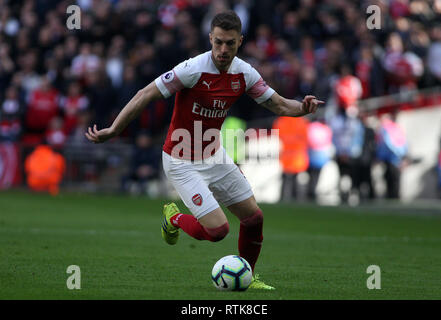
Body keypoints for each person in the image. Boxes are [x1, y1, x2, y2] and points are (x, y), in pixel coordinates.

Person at [85, 11, 323, 290]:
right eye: (219, 42)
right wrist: (114, 129)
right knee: (218, 230)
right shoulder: (192, 70)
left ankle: (248, 276)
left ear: (240, 42)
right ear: (210, 38)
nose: (223, 50)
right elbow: (145, 94)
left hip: (214, 155)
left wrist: (303, 108)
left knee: (254, 218)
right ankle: (173, 217)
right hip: (181, 159)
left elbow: (281, 105)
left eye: (230, 44)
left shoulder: (244, 73)